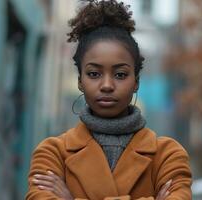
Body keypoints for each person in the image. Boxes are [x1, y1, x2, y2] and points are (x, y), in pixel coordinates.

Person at [25, 0, 192, 199]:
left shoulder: (167, 155)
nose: (107, 85)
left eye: (120, 74)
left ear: (136, 82)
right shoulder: (52, 153)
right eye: (94, 74)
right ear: (80, 81)